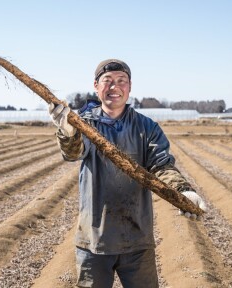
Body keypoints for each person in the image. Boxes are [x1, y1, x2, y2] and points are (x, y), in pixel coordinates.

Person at [49, 59, 206, 288]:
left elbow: (161, 166)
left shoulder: (147, 127)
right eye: (108, 81)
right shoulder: (84, 124)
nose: (115, 87)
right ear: (96, 86)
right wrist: (67, 132)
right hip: (94, 241)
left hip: (137, 241)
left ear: (130, 86)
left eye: (121, 81)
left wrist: (184, 192)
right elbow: (74, 153)